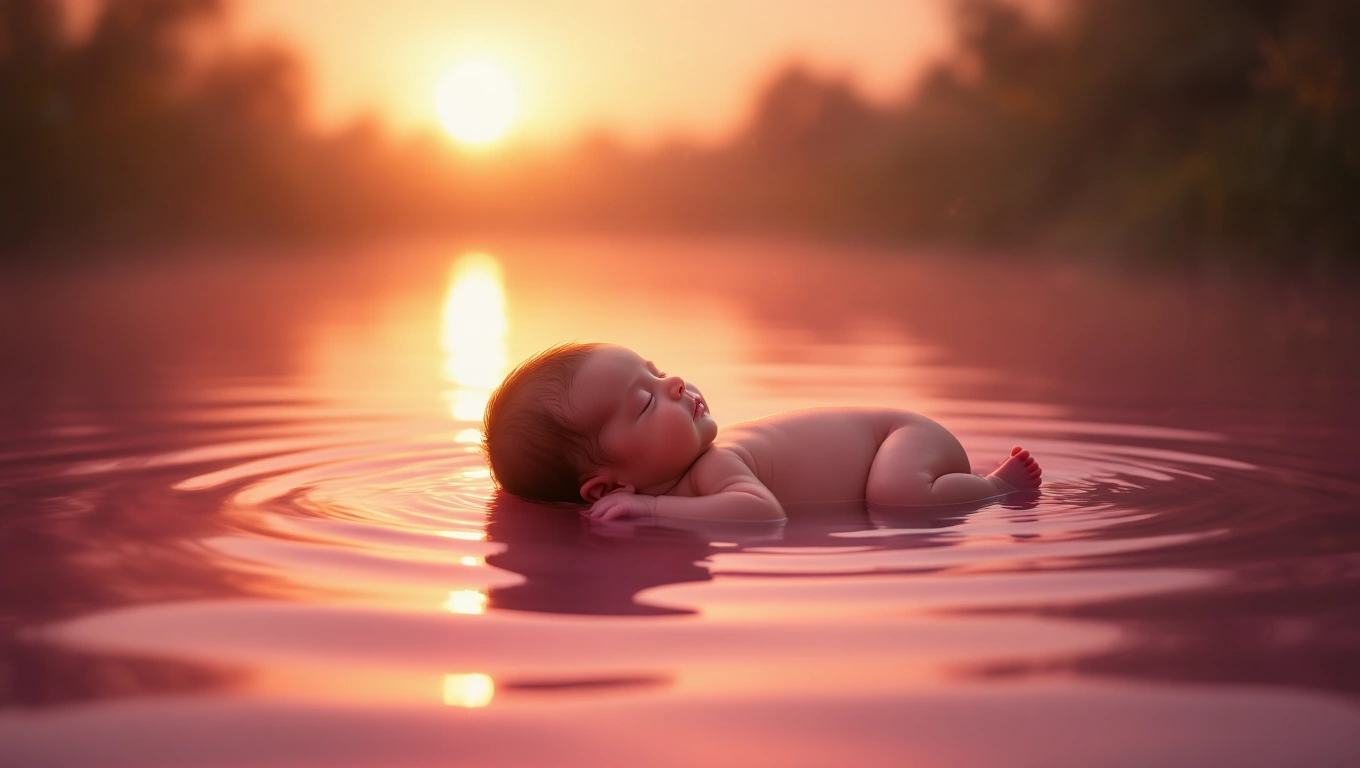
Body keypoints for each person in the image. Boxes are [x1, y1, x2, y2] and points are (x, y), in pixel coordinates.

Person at [482, 343, 1041, 522]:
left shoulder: (714, 465)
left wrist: (651, 510)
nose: (673, 382)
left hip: (900, 438)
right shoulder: (693, 479)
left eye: (656, 370)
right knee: (890, 495)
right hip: (898, 444)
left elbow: (760, 514)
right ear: (604, 487)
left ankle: (997, 486)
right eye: (646, 400)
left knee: (896, 495)